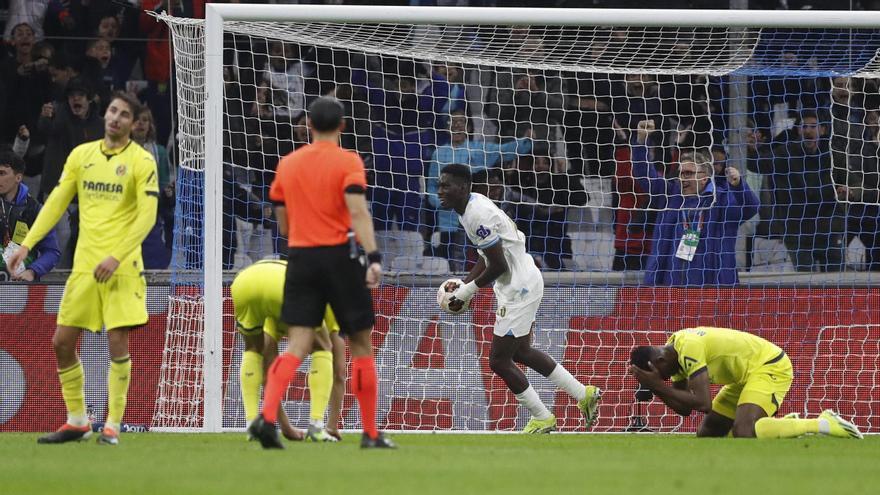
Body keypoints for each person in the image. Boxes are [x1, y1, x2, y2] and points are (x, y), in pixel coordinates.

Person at [8, 92, 159, 446]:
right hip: (85, 265)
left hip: (121, 266)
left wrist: (117, 255)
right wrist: (27, 245)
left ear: (133, 123)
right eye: (112, 111)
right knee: (61, 342)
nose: (115, 118)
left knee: (116, 341)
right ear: (105, 115)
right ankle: (77, 419)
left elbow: (147, 216)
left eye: (124, 114)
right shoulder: (82, 156)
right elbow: (57, 201)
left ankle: (113, 424)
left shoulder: (141, 161)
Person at [248, 97, 395, 449]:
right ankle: (371, 433)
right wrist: (373, 256)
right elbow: (358, 212)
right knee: (361, 344)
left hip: (300, 258)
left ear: (308, 125)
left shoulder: (288, 164)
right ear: (342, 126)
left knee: (297, 343)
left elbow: (282, 223)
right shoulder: (348, 161)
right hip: (339, 258)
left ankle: (267, 418)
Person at [438, 163, 602, 434]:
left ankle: (543, 416)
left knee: (498, 360)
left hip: (519, 288)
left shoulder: (477, 213)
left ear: (464, 187)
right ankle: (583, 394)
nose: (440, 191)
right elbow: (487, 256)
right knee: (522, 352)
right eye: (439, 185)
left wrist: (466, 291)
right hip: (520, 281)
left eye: (446, 186)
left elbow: (499, 265)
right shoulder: (470, 208)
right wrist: (464, 283)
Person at [630, 327, 863, 439]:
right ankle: (783, 427)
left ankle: (822, 423)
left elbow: (702, 403)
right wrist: (655, 387)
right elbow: (684, 409)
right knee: (708, 434)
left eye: (658, 375)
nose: (664, 380)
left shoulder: (688, 348)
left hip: (769, 365)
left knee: (744, 431)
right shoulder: (673, 359)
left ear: (658, 361)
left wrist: (658, 387)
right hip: (743, 377)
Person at [632, 120, 759, 286]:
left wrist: (739, 185)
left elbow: (751, 208)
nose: (682, 178)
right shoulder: (670, 195)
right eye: (681, 173)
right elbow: (644, 175)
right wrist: (641, 142)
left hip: (713, 285)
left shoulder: (721, 199)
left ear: (704, 177)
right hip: (670, 283)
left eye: (688, 173)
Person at [231, 259, 347, 442]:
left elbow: (269, 375)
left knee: (253, 349)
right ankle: (317, 426)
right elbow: (340, 371)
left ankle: (253, 424)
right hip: (283, 286)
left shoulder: (276, 312)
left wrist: (286, 428)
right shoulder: (333, 304)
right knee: (322, 347)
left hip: (244, 281)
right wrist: (332, 426)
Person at [0, 150, 60, 280]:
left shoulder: (35, 210)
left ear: (18, 177)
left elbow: (52, 251)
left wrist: (32, 271)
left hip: (21, 287)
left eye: (2, 173)